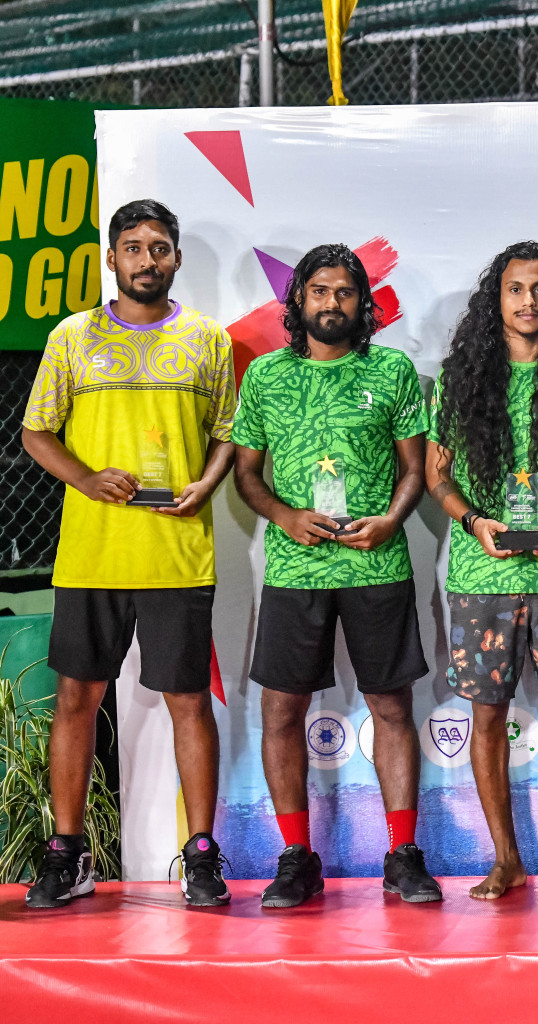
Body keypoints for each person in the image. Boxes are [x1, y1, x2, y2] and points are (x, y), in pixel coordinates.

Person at [21, 199, 235, 909]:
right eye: (134, 247)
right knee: (77, 699)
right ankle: (68, 854)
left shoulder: (207, 341)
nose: (148, 258)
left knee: (187, 701)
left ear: (176, 259)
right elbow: (36, 432)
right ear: (111, 259)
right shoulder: (72, 337)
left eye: (161, 247)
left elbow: (229, 431)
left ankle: (200, 856)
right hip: (92, 554)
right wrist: (85, 477)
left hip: (175, 552)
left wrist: (205, 483)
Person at [232, 243, 439, 907]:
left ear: (362, 302)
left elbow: (415, 471)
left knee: (391, 707)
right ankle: (296, 857)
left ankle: (404, 854)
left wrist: (391, 520)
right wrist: (286, 517)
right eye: (318, 291)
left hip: (377, 563)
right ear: (298, 302)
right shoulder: (265, 377)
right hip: (296, 571)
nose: (331, 303)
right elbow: (246, 475)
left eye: (344, 292)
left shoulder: (394, 370)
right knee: (281, 710)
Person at [426, 242, 538, 897]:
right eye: (515, 289)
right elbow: (436, 476)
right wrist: (472, 521)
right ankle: (504, 858)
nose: (528, 301)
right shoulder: (460, 378)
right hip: (481, 577)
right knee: (485, 718)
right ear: (494, 299)